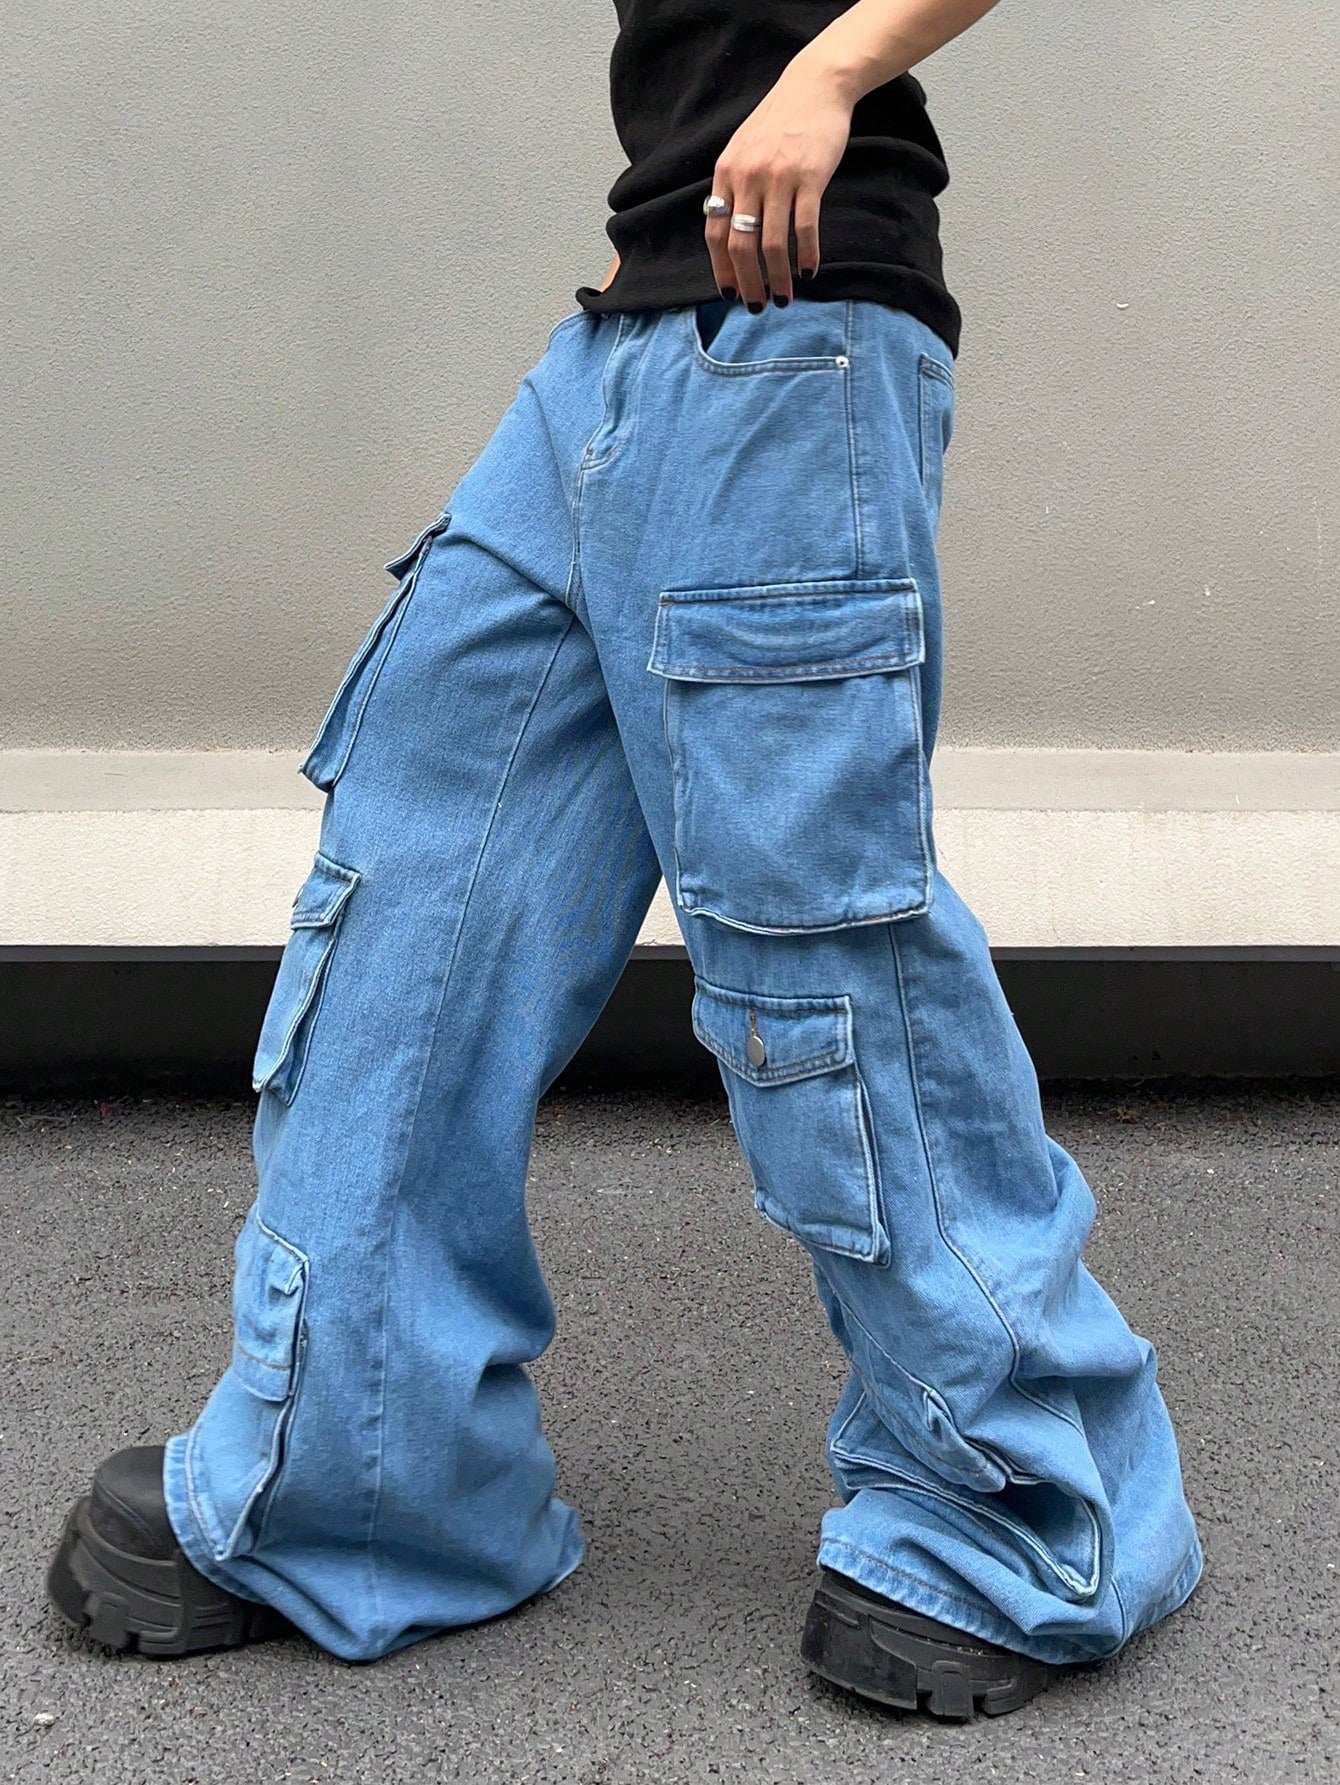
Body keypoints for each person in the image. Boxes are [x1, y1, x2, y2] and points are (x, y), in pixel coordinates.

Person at [47, 0, 1203, 1723]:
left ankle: (1031, 1504)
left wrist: (832, 72)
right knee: (415, 875)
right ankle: (368, 1476)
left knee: (815, 937)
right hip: (625, 340)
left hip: (798, 323)